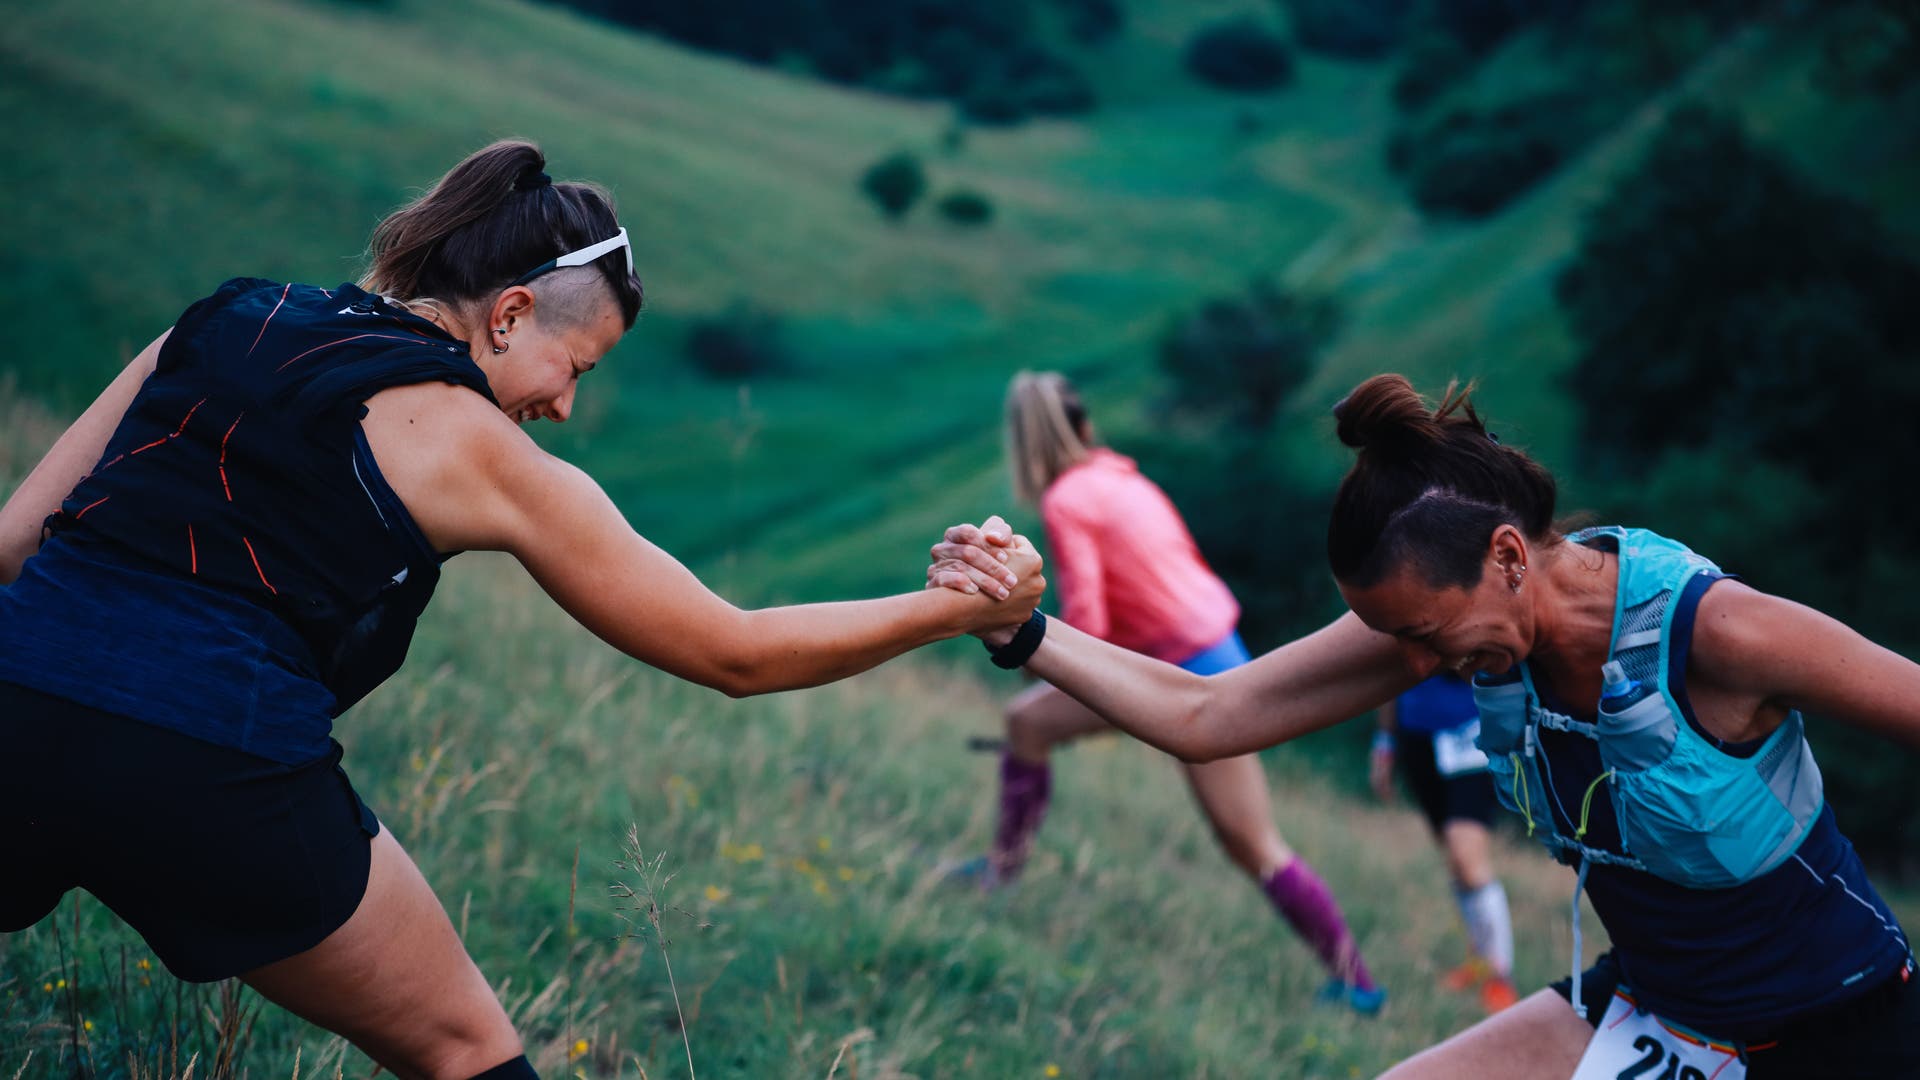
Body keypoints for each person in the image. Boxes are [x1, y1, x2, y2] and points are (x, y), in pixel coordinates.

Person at [0, 140, 1043, 1080]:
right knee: (465, 1052)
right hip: (216, 752)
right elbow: (737, 652)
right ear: (507, 315)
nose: (565, 406)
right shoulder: (481, 448)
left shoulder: (222, 316)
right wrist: (948, 612)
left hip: (17, 689)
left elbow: (13, 546)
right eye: (574, 365)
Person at [930, 374, 1918, 1078]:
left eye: (1426, 633)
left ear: (1505, 556)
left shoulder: (1719, 634)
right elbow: (1209, 712)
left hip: (1841, 1026)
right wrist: (1022, 632)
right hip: (1661, 1016)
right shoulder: (1434, 620)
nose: (1420, 664)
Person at [956, 371, 1384, 1012]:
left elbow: (1092, 627)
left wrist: (1024, 652)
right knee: (1028, 724)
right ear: (1084, 428)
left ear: (1025, 443)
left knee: (1250, 840)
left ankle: (1357, 985)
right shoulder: (1123, 478)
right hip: (1201, 651)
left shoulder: (1068, 501)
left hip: (1197, 673)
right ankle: (1001, 873)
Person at [1369, 672, 1517, 1013]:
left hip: (1470, 730)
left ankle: (1499, 976)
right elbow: (1388, 667)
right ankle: (1480, 959)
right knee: (1453, 859)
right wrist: (1385, 743)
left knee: (1466, 857)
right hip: (1416, 732)